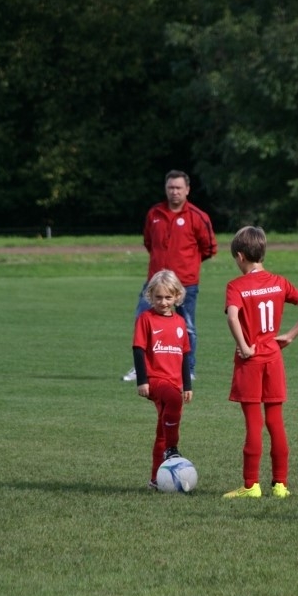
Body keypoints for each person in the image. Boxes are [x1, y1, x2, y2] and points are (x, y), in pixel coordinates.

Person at [222, 226, 298, 498]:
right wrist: (290, 335)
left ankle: (251, 486)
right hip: (274, 359)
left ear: (240, 256)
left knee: (254, 424)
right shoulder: (279, 282)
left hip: (251, 362)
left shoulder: (236, 286)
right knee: (276, 422)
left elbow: (232, 317)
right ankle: (280, 485)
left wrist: (244, 347)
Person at [123, 170, 217, 382]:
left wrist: (187, 265)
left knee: (188, 327)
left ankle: (188, 369)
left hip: (186, 283)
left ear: (187, 190)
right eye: (171, 187)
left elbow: (209, 248)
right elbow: (149, 242)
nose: (174, 191)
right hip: (154, 282)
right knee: (143, 320)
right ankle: (142, 368)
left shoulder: (198, 216)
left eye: (178, 188)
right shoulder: (154, 213)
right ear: (165, 189)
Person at [132, 270, 193, 489]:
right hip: (155, 379)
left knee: (162, 431)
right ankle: (172, 449)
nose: (163, 302)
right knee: (173, 401)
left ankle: (156, 479)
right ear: (150, 296)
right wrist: (142, 380)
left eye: (168, 297)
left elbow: (184, 354)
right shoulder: (146, 319)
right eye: (158, 297)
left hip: (175, 382)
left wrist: (187, 385)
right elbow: (138, 350)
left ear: (177, 296)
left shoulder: (180, 322)